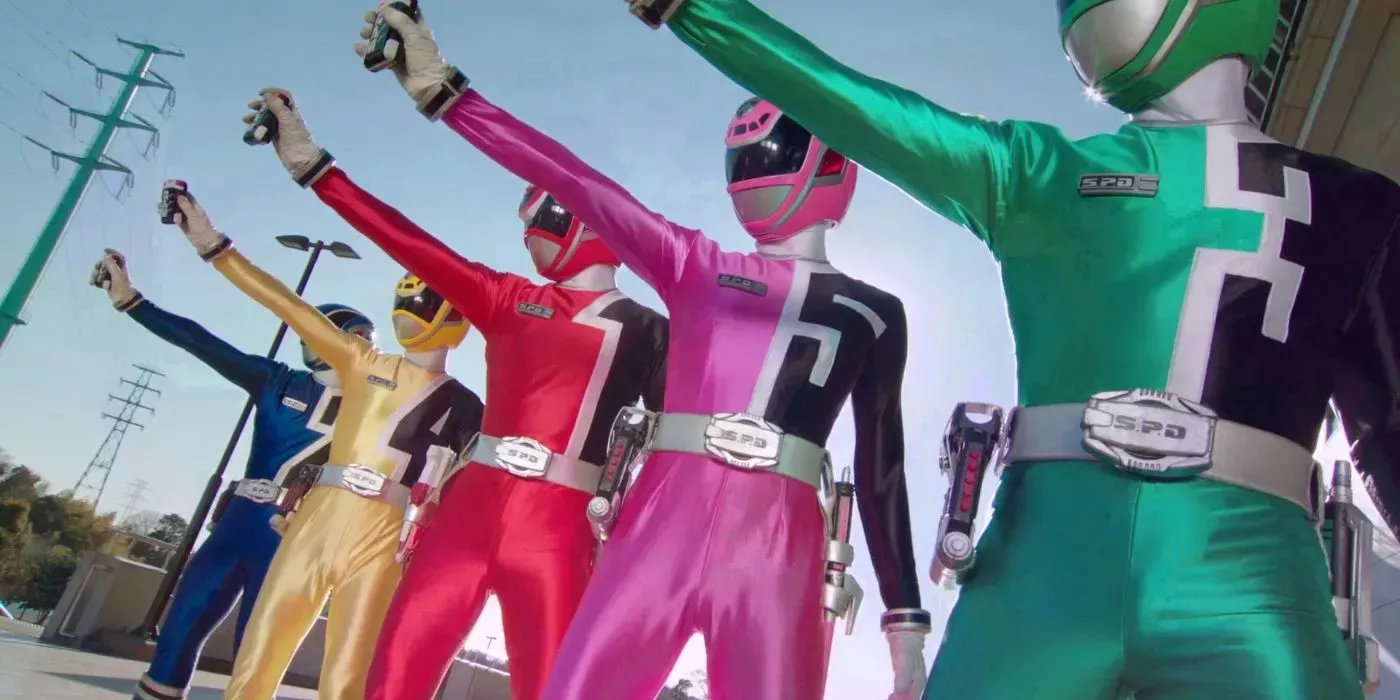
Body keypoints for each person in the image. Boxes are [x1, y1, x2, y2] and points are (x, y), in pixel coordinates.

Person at [624, 0, 1400, 697]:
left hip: (1216, 565)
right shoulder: (1037, 171)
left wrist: (694, 10)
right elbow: (849, 105)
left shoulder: (1358, 207)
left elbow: (1386, 425)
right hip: (1061, 557)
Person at [356, 9, 929, 700]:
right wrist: (445, 93)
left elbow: (881, 467)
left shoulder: (728, 273)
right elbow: (572, 181)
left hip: (723, 533)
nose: (754, 167)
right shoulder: (717, 270)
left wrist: (906, 621)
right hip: (712, 528)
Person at [240, 88, 668, 700]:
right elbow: (408, 242)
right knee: (392, 680)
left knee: (553, 689)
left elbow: (677, 447)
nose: (529, 234)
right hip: (468, 515)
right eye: (526, 222)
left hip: (559, 529)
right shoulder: (508, 297)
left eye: (540, 218)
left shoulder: (650, 330)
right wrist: (315, 169)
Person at [162, 190, 485, 699]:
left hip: (387, 536)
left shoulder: (467, 406)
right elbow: (288, 306)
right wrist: (213, 245)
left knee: (346, 677)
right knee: (259, 654)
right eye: (404, 298)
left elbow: (469, 491)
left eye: (421, 300)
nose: (408, 309)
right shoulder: (363, 360)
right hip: (319, 516)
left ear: (455, 317)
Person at [90, 249, 374, 700]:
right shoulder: (278, 380)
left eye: (369, 340)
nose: (367, 348)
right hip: (237, 524)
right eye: (356, 337)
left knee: (255, 658)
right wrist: (131, 301)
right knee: (180, 629)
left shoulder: (377, 409)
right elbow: (202, 343)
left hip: (294, 537)